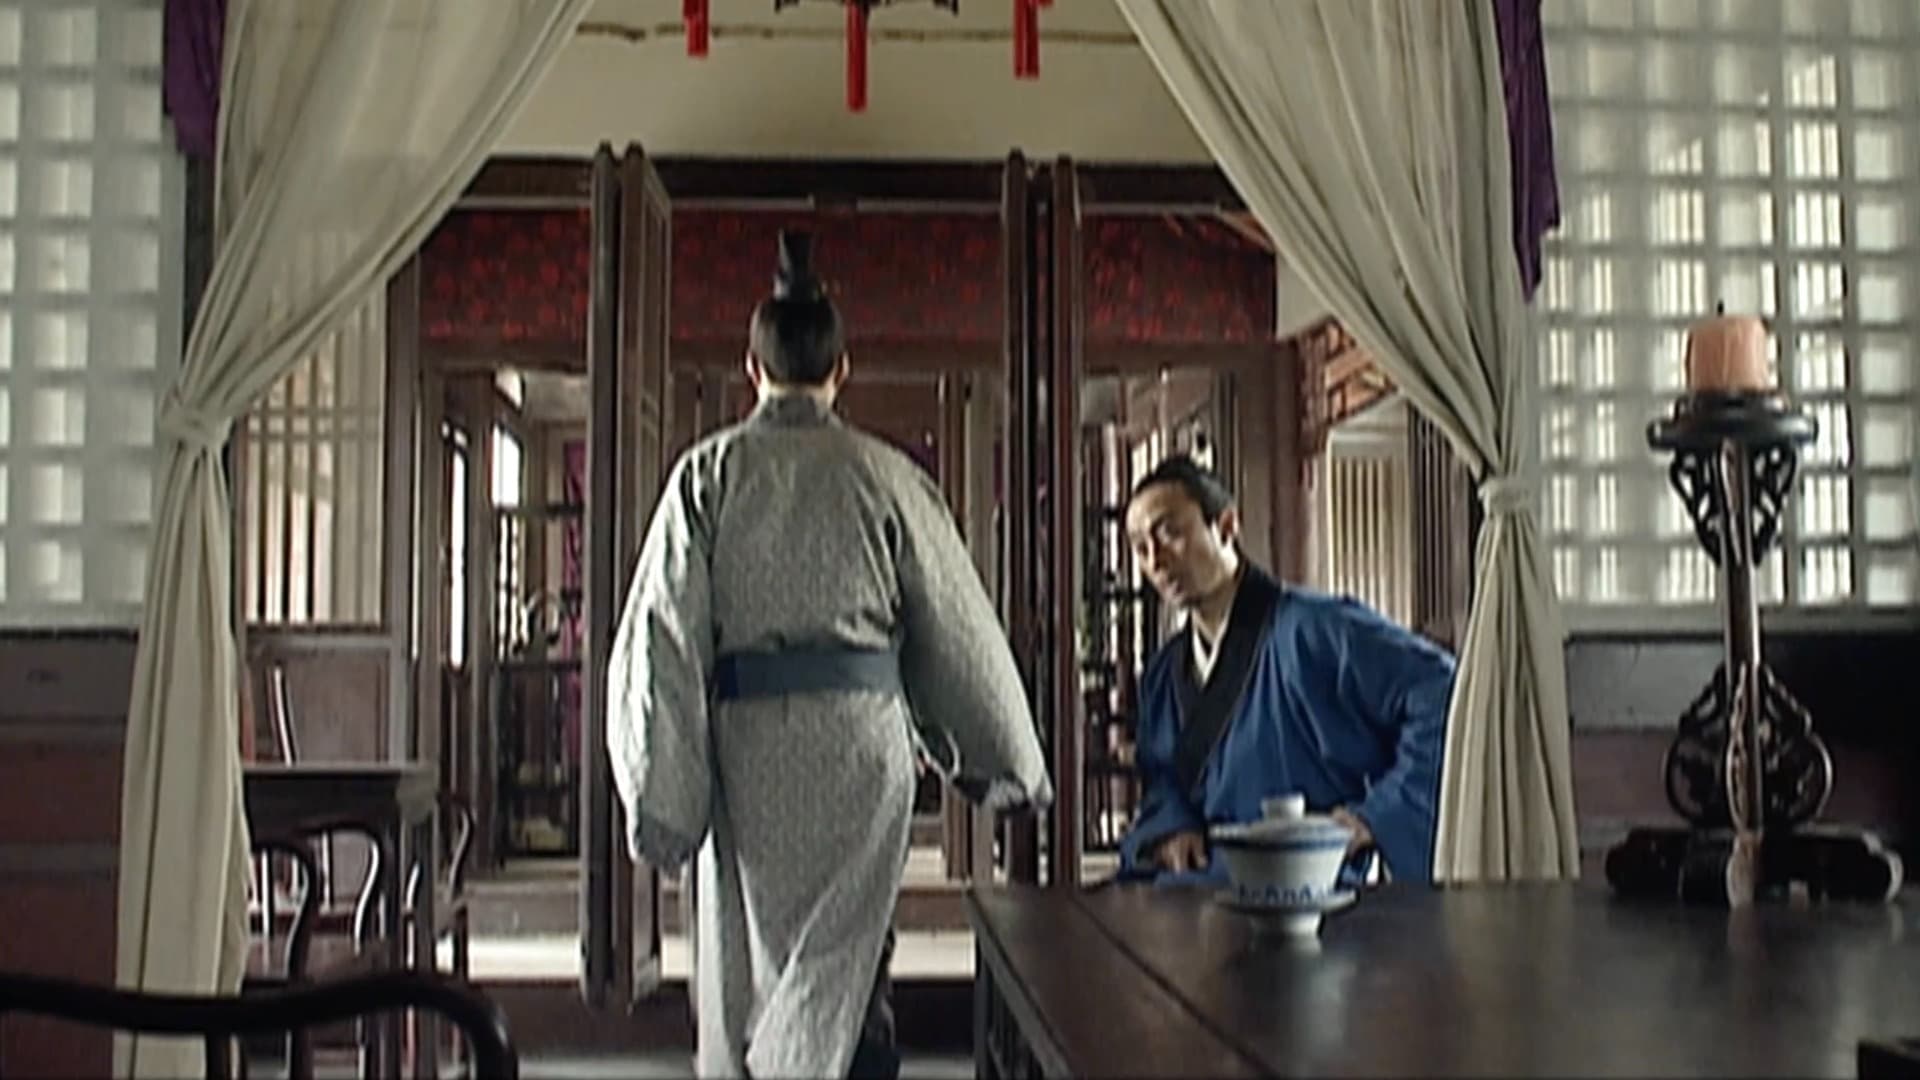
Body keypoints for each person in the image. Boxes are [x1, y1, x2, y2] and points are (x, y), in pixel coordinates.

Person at [607, 231, 1052, 1079]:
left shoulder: (707, 475)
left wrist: (664, 798)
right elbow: (955, 621)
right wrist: (1004, 761)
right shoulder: (886, 475)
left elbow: (662, 633)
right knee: (852, 961)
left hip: (748, 753)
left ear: (752, 367)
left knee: (749, 954)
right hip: (860, 751)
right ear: (842, 370)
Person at [1115, 455, 1454, 888]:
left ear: (1226, 526)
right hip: (1195, 884)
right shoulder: (1164, 672)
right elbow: (1161, 776)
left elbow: (1443, 692)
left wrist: (1375, 816)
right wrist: (1171, 826)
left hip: (1301, 886)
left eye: (1169, 533)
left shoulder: (1314, 629)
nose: (1155, 559)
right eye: (1140, 546)